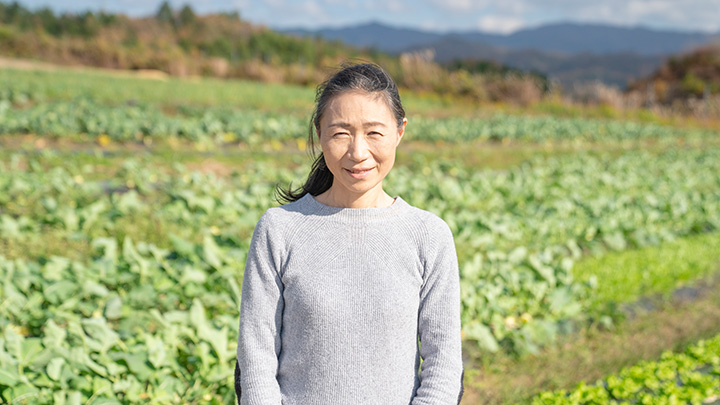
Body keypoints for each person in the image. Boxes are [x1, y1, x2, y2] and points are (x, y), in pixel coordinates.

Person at [235, 62, 464, 404]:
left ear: (400, 131)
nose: (358, 153)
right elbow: (255, 360)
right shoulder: (279, 229)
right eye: (341, 132)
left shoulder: (429, 236)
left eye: (374, 133)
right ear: (319, 133)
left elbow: (443, 365)